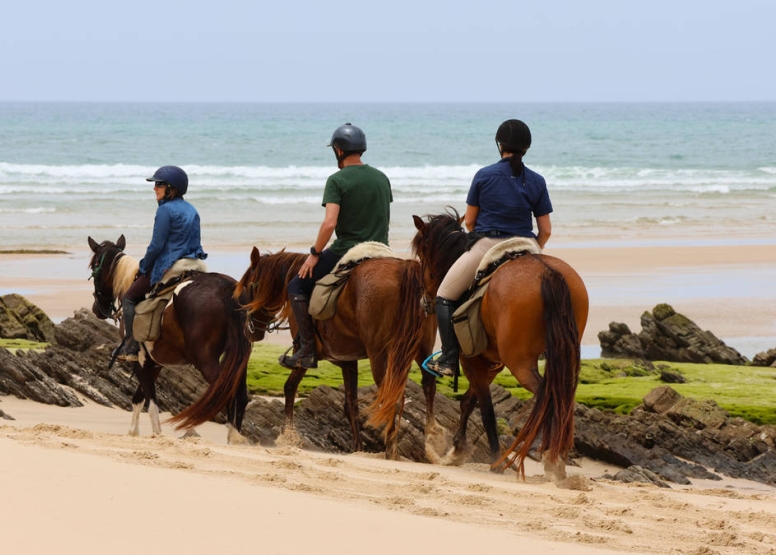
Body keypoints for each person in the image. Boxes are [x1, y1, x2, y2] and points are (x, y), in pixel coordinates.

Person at [425, 119, 553, 377]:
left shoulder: (484, 175)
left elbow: (469, 221)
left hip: (489, 245)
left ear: (500, 145)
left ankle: (449, 359)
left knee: (444, 295)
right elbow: (546, 230)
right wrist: (532, 248)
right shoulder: (537, 181)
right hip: (527, 246)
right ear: (526, 148)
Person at [278, 123, 393, 370]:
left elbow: (329, 224)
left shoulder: (337, 180)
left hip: (348, 250)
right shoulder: (381, 177)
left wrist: (314, 254)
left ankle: (307, 351)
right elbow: (383, 216)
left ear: (338, 150)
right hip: (382, 249)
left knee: (297, 285)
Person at [115, 165, 208, 361]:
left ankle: (131, 346)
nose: (154, 188)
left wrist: (143, 267)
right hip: (194, 263)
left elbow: (156, 246)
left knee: (129, 298)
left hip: (170, 264)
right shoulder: (192, 209)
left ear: (171, 188)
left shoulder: (165, 211)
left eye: (159, 184)